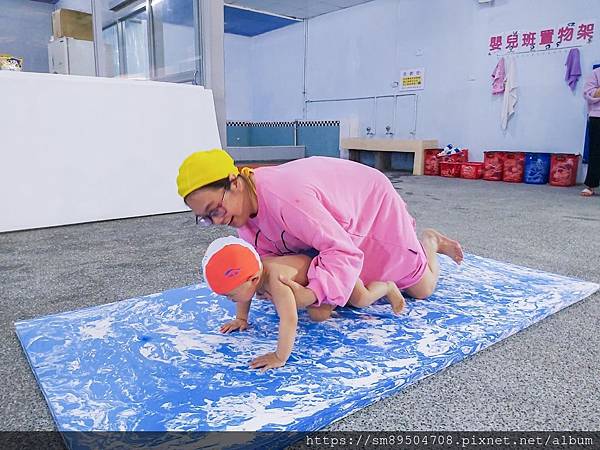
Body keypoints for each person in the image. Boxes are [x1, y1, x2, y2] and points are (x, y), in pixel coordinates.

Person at [177, 149, 463, 323]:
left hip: (369, 207)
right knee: (339, 295)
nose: (218, 221)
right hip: (330, 224)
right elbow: (274, 260)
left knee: (420, 289)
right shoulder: (242, 213)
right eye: (206, 218)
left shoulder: (286, 198)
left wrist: (312, 293)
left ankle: (430, 242)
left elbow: (343, 251)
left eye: (215, 209)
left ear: (235, 183)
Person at [202, 236, 406, 371]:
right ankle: (332, 302)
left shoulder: (276, 281)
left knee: (361, 299)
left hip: (330, 272)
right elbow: (243, 294)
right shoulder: (253, 272)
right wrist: (241, 318)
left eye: (230, 296)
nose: (230, 300)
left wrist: (279, 356)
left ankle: (387, 287)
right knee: (318, 315)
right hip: (311, 283)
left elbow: (289, 319)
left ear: (254, 280)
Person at [582, 67, 600, 196]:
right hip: (598, 116)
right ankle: (591, 185)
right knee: (595, 151)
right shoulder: (596, 73)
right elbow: (588, 93)